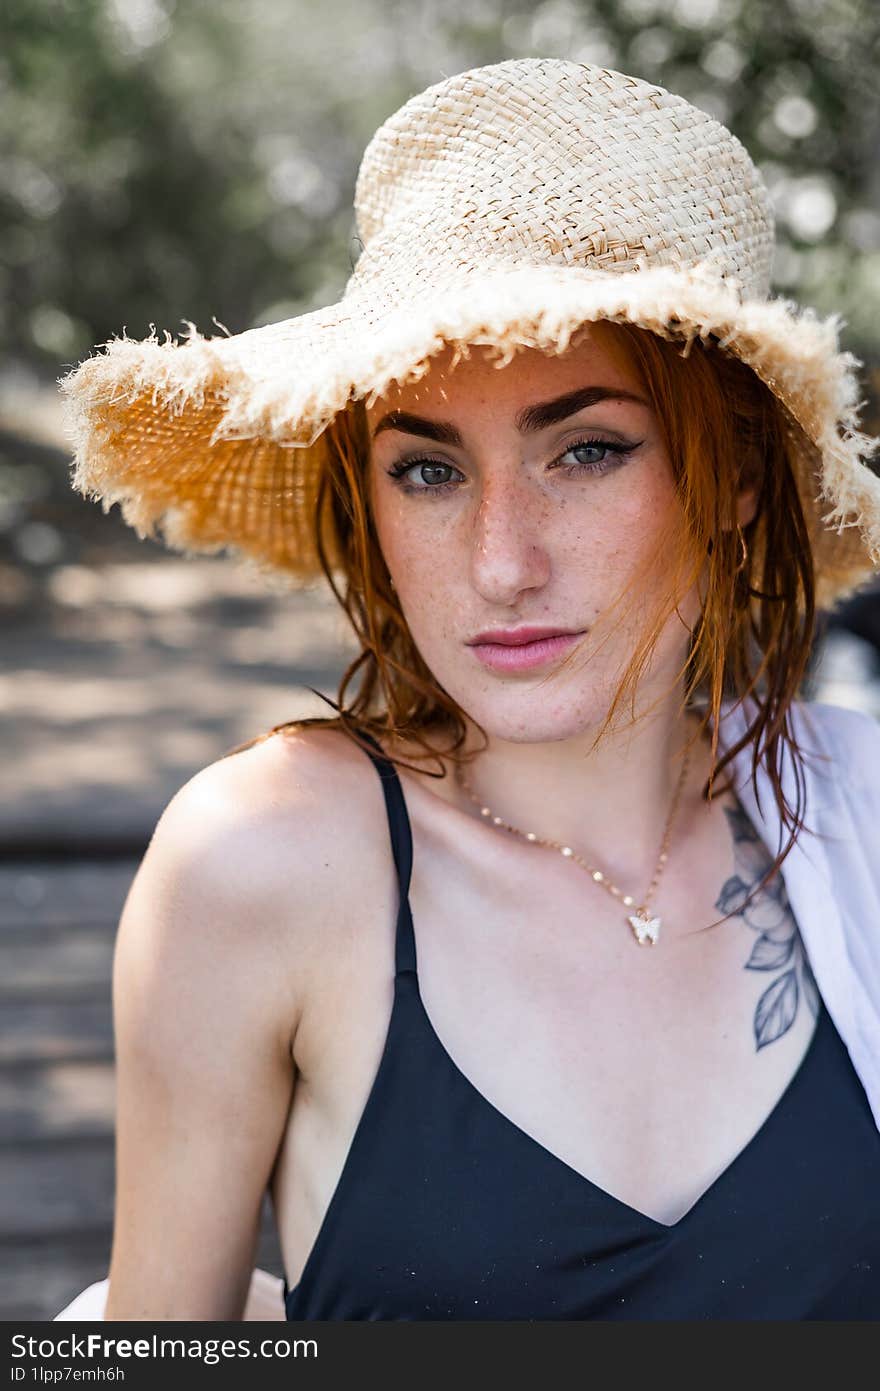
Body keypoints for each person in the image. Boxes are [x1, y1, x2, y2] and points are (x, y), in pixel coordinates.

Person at [55, 58, 880, 1322]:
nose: (502, 562)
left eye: (587, 450)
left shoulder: (860, 822)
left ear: (737, 483)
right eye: (428, 471)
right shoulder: (267, 863)